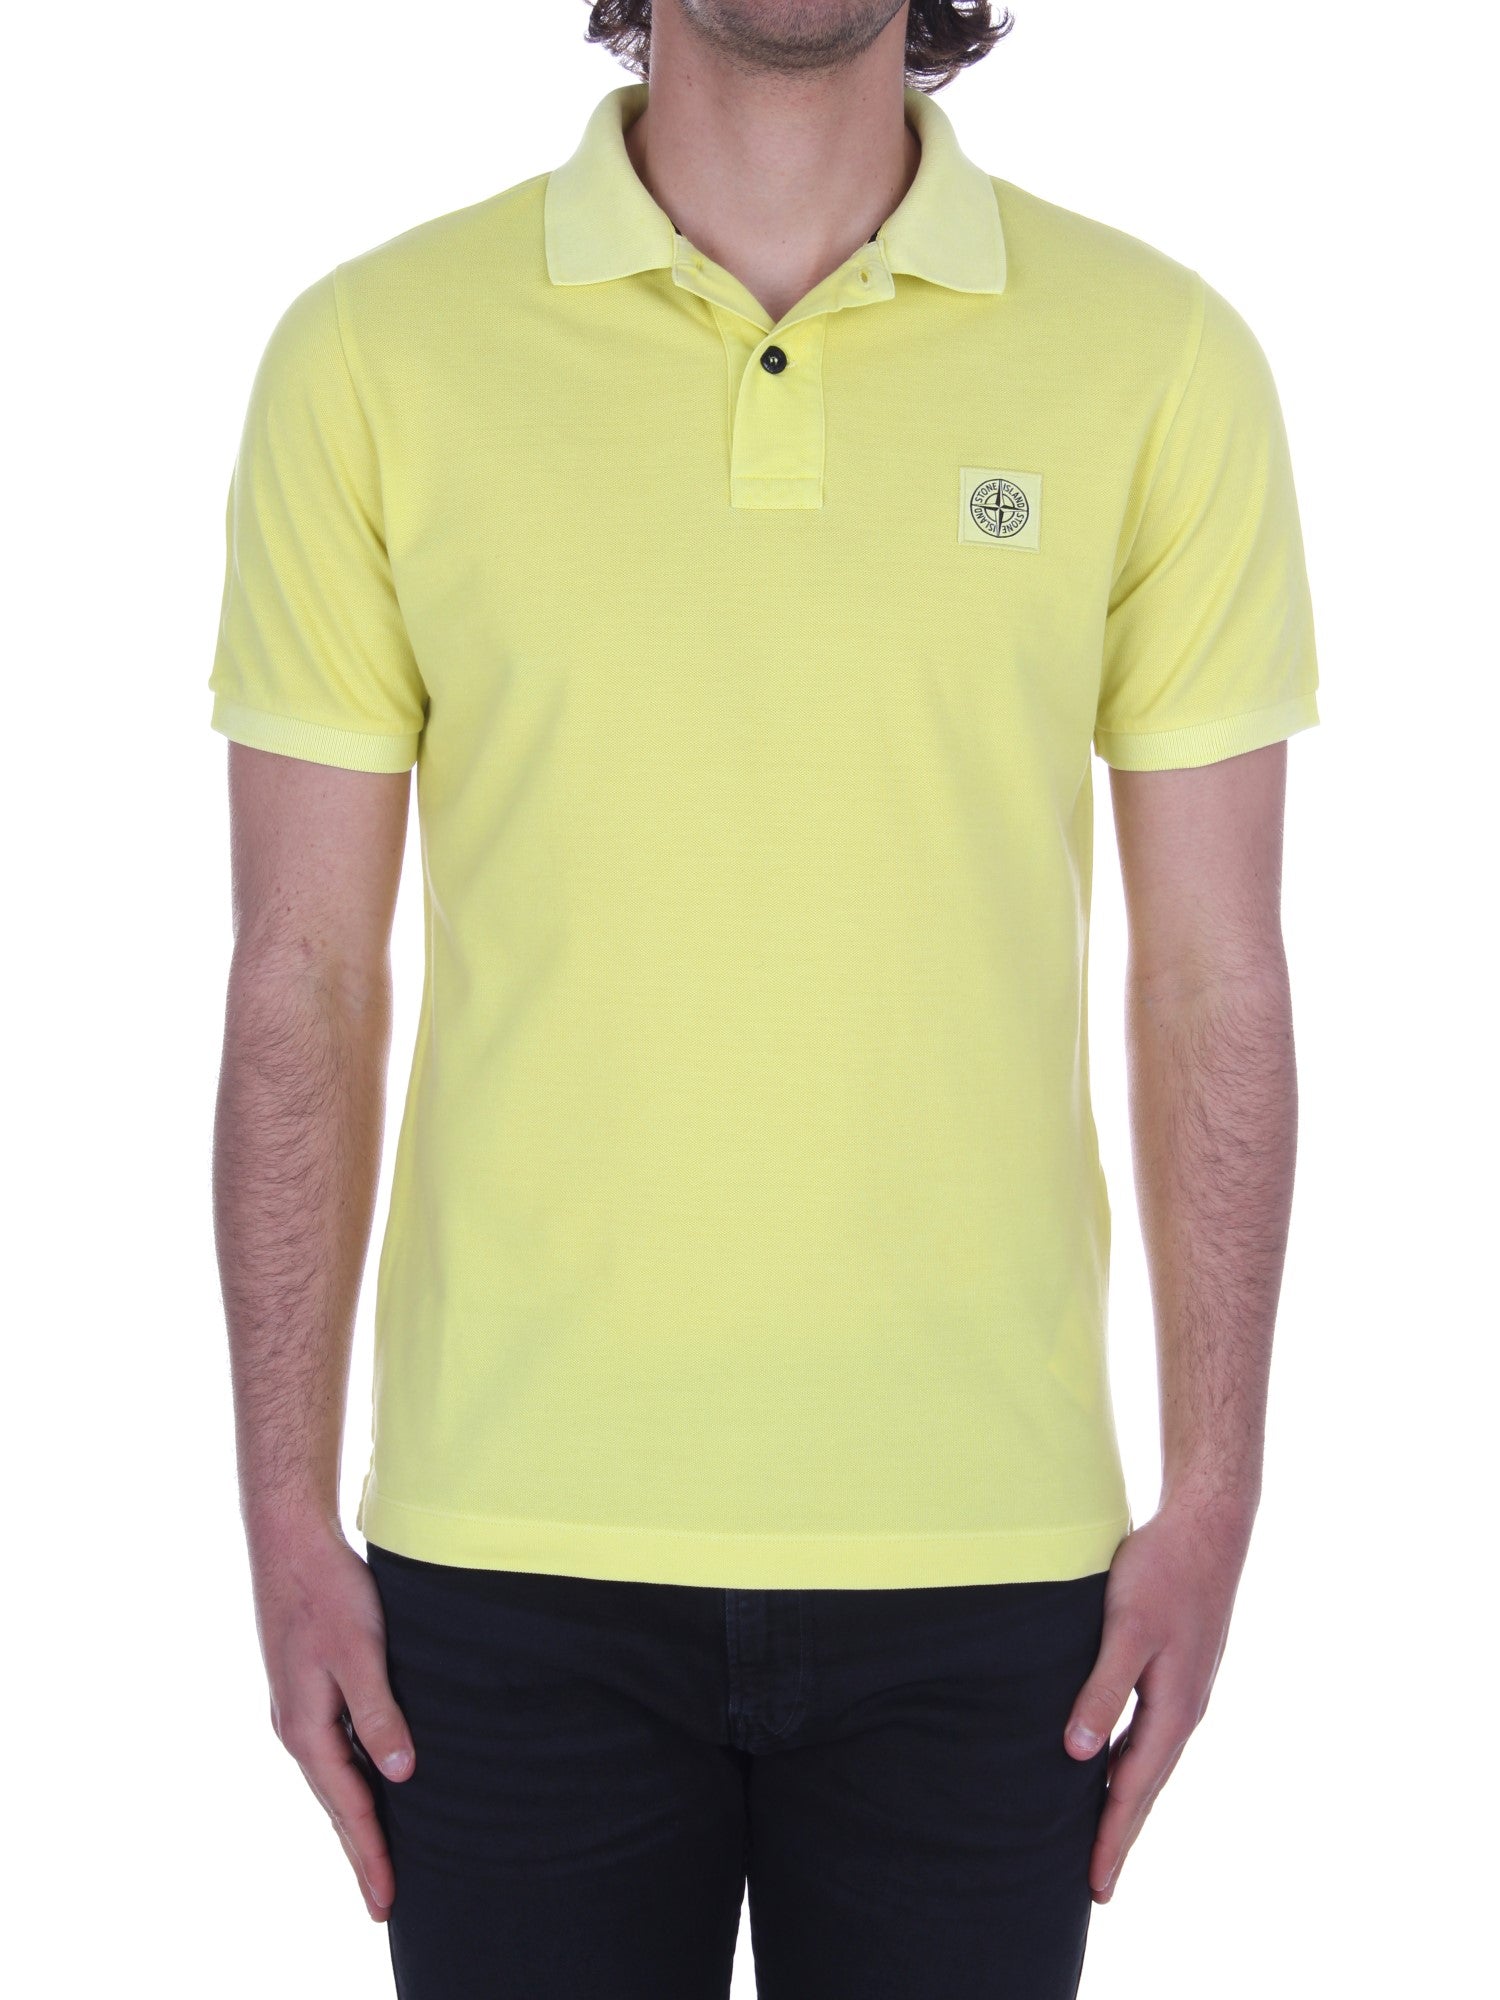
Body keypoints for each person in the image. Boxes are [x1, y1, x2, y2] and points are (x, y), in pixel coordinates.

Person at [207, 3, 1319, 1995]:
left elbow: (1213, 982)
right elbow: (302, 981)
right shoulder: (373, 353)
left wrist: (1218, 1493)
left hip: (992, 1570)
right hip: (504, 1565)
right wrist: (281, 1508)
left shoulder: (1159, 359)